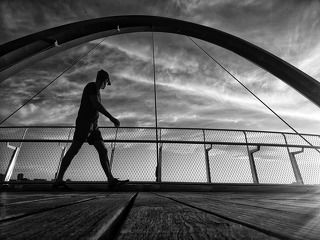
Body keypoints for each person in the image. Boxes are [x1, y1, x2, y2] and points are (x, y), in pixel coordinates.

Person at [53, 69, 129, 189]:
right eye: (106, 83)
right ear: (103, 80)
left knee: (103, 150)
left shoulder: (97, 90)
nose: (106, 86)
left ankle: (110, 180)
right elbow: (96, 105)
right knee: (74, 149)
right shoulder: (91, 86)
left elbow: (95, 106)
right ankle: (58, 179)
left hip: (94, 127)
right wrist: (112, 118)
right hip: (84, 124)